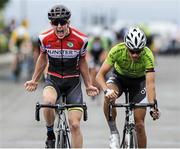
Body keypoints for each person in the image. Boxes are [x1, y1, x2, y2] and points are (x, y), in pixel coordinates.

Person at [24, 4, 99, 148]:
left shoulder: (81, 39)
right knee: (48, 102)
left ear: (68, 22)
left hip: (73, 84)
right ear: (50, 23)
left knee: (75, 125)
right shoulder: (44, 38)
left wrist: (89, 84)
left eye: (62, 22)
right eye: (54, 23)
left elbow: (83, 61)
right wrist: (34, 80)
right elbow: (42, 58)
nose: (59, 26)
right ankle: (50, 133)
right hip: (53, 80)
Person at [96, 27, 160, 148]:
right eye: (132, 51)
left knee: (140, 125)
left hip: (138, 83)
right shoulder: (117, 50)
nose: (135, 54)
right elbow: (99, 76)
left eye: (138, 51)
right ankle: (114, 132)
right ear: (126, 47)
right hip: (119, 79)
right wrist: (107, 91)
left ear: (143, 48)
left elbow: (150, 84)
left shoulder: (148, 55)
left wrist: (153, 106)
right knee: (108, 97)